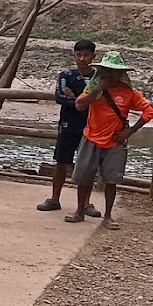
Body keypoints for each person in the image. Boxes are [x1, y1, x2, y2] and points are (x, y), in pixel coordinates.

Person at [67, 50, 153, 229]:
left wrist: (129, 133)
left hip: (115, 142)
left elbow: (149, 112)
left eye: (113, 71)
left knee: (111, 180)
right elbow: (79, 105)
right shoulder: (93, 88)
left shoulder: (129, 92)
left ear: (120, 73)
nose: (109, 74)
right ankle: (79, 210)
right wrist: (98, 89)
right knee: (84, 178)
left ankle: (107, 216)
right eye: (106, 70)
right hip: (91, 138)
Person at [37, 39, 99, 215]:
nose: (81, 59)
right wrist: (82, 100)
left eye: (86, 55)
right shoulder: (66, 75)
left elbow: (98, 99)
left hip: (91, 124)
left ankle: (86, 203)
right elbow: (59, 97)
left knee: (88, 164)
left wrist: (76, 98)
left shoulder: (97, 77)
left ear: (93, 56)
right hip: (68, 124)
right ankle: (54, 198)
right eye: (78, 55)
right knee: (61, 162)